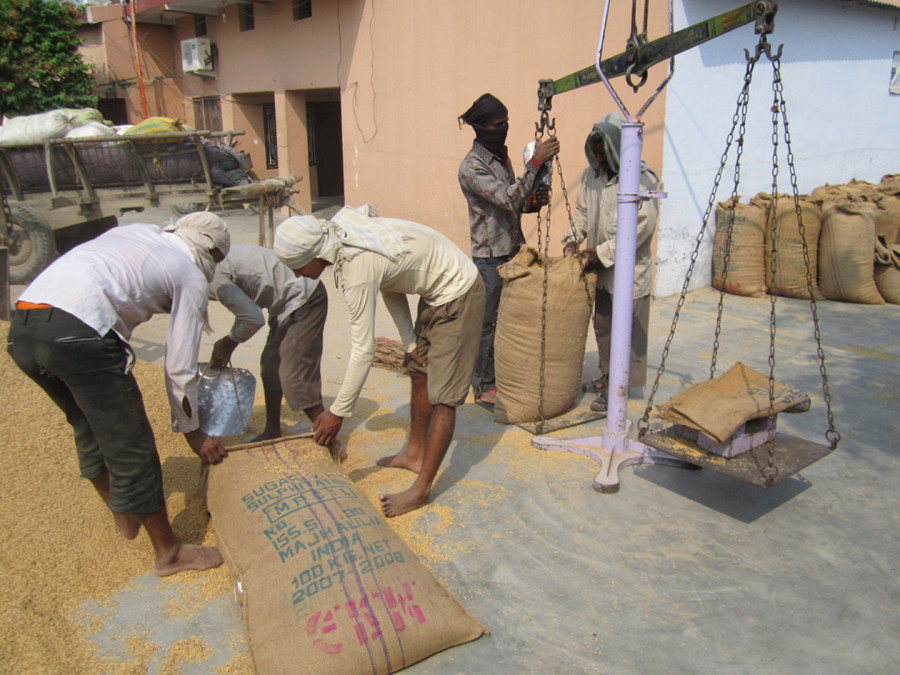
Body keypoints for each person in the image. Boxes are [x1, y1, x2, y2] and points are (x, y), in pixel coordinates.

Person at [6, 213, 231, 577]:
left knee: (87, 423)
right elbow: (178, 367)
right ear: (210, 251)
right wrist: (194, 431)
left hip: (24, 328)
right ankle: (170, 553)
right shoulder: (189, 273)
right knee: (132, 442)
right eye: (218, 261)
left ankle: (124, 517)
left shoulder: (140, 233)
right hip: (79, 330)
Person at [273, 205, 485, 518]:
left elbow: (363, 350)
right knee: (418, 370)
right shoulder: (345, 235)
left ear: (315, 254)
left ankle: (422, 488)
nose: (297, 275)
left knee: (445, 397)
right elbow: (391, 283)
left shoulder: (355, 265)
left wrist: (338, 412)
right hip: (435, 291)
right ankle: (414, 452)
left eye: (299, 267)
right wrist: (410, 343)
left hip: (459, 291)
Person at [458, 92, 560, 405]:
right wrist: (536, 162)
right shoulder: (472, 167)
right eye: (498, 124)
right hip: (491, 258)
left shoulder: (500, 157)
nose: (504, 128)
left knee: (512, 319)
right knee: (488, 323)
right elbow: (506, 198)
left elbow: (509, 203)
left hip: (514, 250)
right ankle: (484, 385)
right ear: (482, 128)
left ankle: (504, 374)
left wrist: (529, 203)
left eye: (506, 122)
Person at [561, 113, 660, 413]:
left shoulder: (641, 178)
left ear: (617, 148)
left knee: (626, 331)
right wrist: (572, 238)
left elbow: (642, 227)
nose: (598, 159)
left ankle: (621, 389)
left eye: (603, 152)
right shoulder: (592, 176)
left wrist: (600, 252)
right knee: (604, 327)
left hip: (628, 273)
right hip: (601, 272)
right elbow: (581, 213)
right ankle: (607, 377)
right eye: (595, 153)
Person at [207, 244, 328, 441]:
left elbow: (252, 318)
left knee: (294, 375)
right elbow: (247, 312)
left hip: (306, 296)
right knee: (271, 365)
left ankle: (330, 438)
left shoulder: (214, 276)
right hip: (283, 303)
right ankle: (272, 430)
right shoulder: (210, 267)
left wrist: (229, 342)